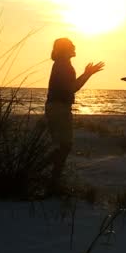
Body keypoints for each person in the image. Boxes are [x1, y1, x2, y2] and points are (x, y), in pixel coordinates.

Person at [45, 37, 104, 193]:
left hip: (56, 107)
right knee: (64, 146)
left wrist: (87, 73)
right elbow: (72, 88)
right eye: (71, 45)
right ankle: (50, 180)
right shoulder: (63, 65)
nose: (74, 46)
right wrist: (88, 74)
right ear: (65, 49)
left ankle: (49, 177)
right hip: (59, 108)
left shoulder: (62, 64)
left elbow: (70, 87)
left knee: (62, 145)